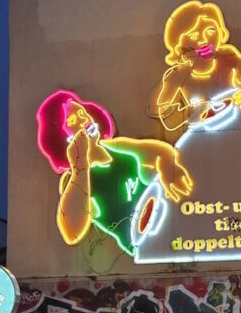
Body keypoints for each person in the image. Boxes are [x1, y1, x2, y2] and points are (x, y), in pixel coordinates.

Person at [37, 89, 193, 257]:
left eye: (82, 112)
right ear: (62, 137)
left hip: (171, 220)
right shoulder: (74, 180)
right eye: (73, 120)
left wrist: (168, 166)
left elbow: (160, 150)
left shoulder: (115, 147)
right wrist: (80, 165)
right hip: (145, 245)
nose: (84, 119)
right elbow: (72, 232)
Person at [150, 0, 241, 130]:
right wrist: (178, 77)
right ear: (179, 46)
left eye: (210, 31)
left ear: (220, 32)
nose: (204, 40)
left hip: (235, 124)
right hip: (200, 132)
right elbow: (157, 110)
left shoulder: (227, 57)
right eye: (193, 36)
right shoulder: (179, 73)